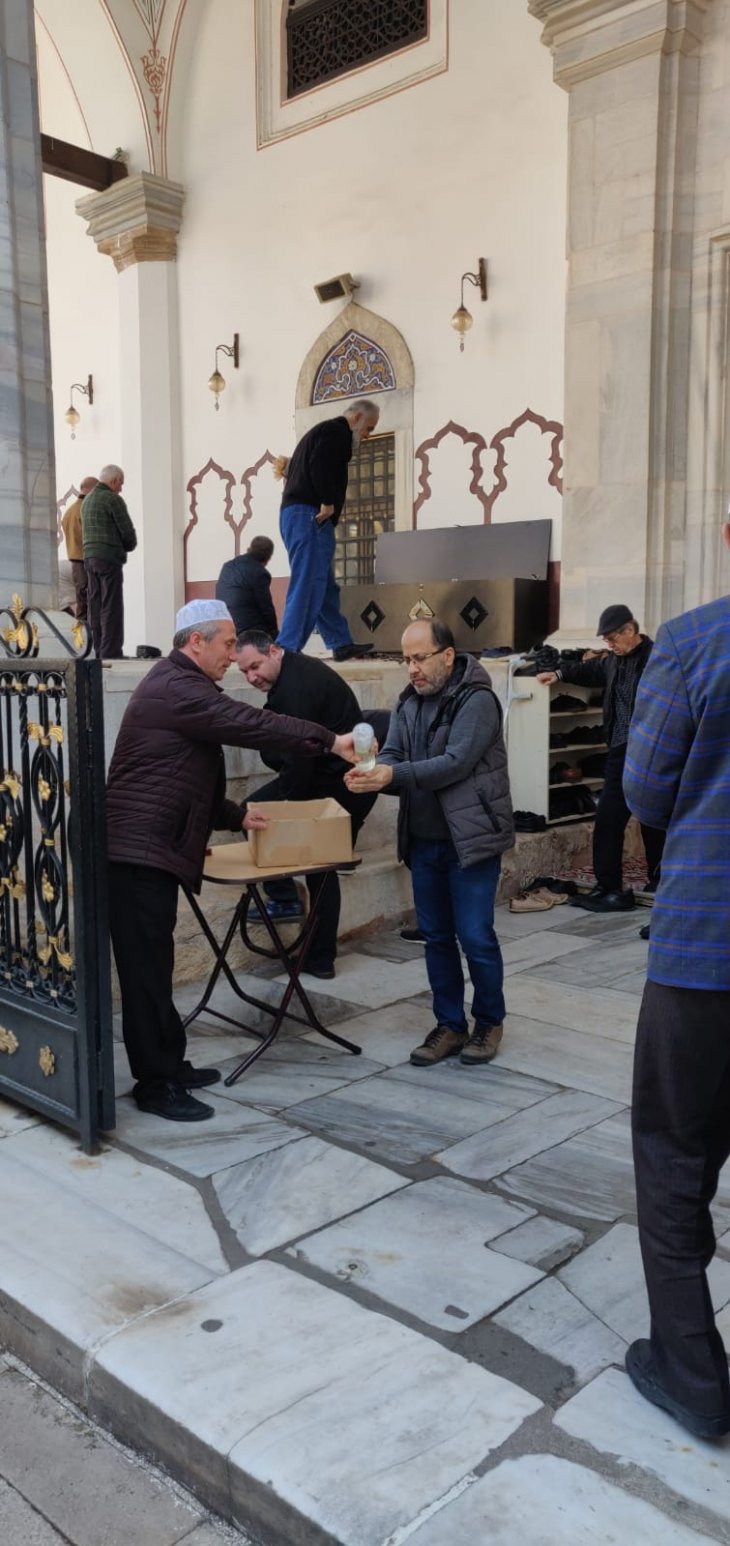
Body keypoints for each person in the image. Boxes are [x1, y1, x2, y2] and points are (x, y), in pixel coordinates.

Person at [106, 599, 356, 1123]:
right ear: (196, 642)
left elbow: (179, 774)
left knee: (157, 964)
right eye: (225, 645)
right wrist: (330, 739)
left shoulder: (180, 685)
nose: (230, 657)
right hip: (138, 852)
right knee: (146, 973)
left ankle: (169, 1065)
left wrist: (235, 815)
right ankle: (156, 1084)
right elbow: (246, 723)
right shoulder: (178, 687)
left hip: (149, 846)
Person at [621, 520, 730, 1441]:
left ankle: (691, 1372)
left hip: (705, 949)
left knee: (672, 1152)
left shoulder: (694, 641)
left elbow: (647, 788)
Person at [346, 617, 514, 1067]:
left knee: (475, 936)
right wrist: (372, 773)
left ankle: (489, 1021)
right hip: (423, 841)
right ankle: (450, 1026)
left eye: (419, 658)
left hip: (470, 841)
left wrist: (391, 773)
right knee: (436, 937)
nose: (412, 669)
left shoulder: (478, 701)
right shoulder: (407, 703)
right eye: (405, 660)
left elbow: (454, 763)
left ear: (447, 655)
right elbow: (396, 756)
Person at [235, 631, 379, 978]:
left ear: (274, 651)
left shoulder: (297, 686)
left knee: (259, 819)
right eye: (244, 672)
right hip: (328, 778)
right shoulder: (291, 675)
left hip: (340, 784)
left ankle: (292, 911)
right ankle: (315, 950)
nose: (252, 677)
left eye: (256, 666)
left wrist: (289, 812)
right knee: (258, 817)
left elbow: (298, 764)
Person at [536, 604, 664, 912]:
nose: (609, 644)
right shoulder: (612, 661)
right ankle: (609, 887)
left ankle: (659, 882)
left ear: (630, 631)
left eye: (611, 638)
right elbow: (588, 670)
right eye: (606, 640)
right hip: (620, 752)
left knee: (653, 820)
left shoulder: (659, 660)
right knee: (608, 818)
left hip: (651, 751)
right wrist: (558, 672)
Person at [276, 399, 380, 659]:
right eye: (369, 428)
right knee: (309, 582)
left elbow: (301, 469)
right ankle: (286, 650)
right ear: (356, 418)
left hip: (297, 515)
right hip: (311, 516)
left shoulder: (320, 432)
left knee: (324, 586)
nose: (368, 435)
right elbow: (319, 465)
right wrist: (327, 501)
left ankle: (340, 642)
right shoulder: (338, 433)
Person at [81, 464, 137, 659]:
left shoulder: (87, 500)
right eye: (120, 483)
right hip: (108, 558)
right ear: (113, 481)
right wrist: (130, 545)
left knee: (94, 606)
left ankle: (97, 650)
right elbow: (127, 532)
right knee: (111, 606)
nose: (121, 488)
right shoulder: (113, 499)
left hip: (89, 558)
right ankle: (111, 652)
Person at [216, 535, 278, 637]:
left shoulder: (228, 566)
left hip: (225, 625)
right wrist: (275, 633)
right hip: (249, 630)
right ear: (268, 557)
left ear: (249, 548)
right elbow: (266, 608)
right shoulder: (260, 572)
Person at [60, 475, 97, 620]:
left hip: (76, 563)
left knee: (83, 606)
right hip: (87, 563)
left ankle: (83, 638)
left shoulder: (69, 512)